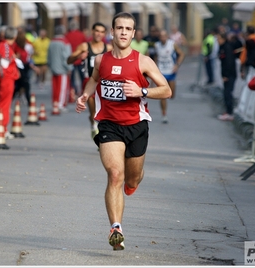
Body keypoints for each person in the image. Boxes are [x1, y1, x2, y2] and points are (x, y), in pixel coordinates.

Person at [75, 12, 171, 251]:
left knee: (131, 178)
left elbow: (166, 90)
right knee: (115, 175)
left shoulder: (143, 61)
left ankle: (134, 180)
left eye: (128, 29)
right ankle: (116, 228)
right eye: (119, 28)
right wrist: (85, 94)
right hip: (109, 125)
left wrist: (142, 91)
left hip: (137, 125)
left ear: (134, 33)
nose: (124, 32)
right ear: (113, 31)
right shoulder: (100, 60)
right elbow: (94, 80)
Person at [68, 22, 113, 139]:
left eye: (102, 32)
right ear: (92, 32)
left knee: (104, 112)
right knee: (93, 112)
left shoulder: (108, 48)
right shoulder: (84, 46)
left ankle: (103, 133)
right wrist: (78, 57)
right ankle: (94, 126)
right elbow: (69, 60)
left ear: (105, 33)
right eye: (97, 31)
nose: (99, 34)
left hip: (104, 83)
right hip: (89, 82)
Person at [0, 26, 20, 139]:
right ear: (14, 36)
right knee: (4, 105)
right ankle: (1, 128)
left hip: (4, 79)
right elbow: (2, 65)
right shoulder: (6, 47)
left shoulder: (2, 46)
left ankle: (0, 128)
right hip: (6, 80)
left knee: (3, 105)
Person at [154, 29, 185, 123]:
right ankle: (164, 115)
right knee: (163, 95)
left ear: (167, 36)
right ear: (159, 37)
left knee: (171, 95)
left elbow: (182, 54)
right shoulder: (157, 45)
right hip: (161, 73)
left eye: (164, 36)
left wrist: (177, 65)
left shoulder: (172, 44)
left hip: (171, 72)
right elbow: (155, 57)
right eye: (161, 36)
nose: (163, 38)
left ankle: (165, 111)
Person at [47, 25, 73, 113]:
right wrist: (69, 67)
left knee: (55, 87)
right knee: (62, 88)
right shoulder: (65, 42)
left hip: (53, 67)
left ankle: (55, 102)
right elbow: (67, 57)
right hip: (62, 69)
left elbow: (49, 55)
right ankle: (61, 104)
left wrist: (50, 65)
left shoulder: (51, 42)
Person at [217, 33, 237, 121]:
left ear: (223, 39)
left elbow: (229, 62)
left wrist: (226, 75)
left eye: (219, 39)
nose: (217, 41)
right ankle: (227, 111)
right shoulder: (222, 47)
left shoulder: (227, 47)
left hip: (230, 75)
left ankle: (230, 112)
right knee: (226, 93)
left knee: (228, 93)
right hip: (227, 74)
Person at [65, 19, 87, 97]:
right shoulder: (81, 34)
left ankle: (73, 92)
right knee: (82, 77)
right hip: (80, 59)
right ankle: (83, 91)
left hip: (71, 59)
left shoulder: (67, 35)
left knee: (72, 78)